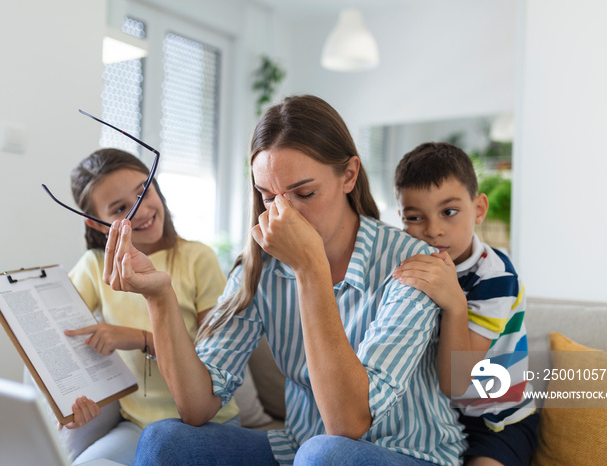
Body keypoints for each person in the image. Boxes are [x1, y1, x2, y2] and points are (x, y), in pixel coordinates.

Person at [102, 95, 467, 466]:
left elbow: (347, 424)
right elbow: (196, 407)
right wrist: (159, 298)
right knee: (166, 440)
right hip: (301, 451)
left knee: (326, 454)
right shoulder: (260, 267)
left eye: (305, 193)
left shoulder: (414, 265)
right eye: (268, 197)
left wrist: (310, 271)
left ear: (349, 175)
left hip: (409, 455)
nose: (283, 215)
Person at [61, 148, 239, 465]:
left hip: (209, 424)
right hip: (137, 426)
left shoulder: (198, 258)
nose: (140, 210)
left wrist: (138, 337)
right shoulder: (94, 266)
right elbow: (57, 334)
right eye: (119, 208)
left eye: (143, 191)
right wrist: (65, 403)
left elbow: (213, 362)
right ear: (99, 225)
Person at [392, 142, 538, 466]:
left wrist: (455, 303)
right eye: (415, 217)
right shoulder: (411, 265)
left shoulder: (497, 279)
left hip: (499, 421)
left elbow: (457, 382)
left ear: (480, 209)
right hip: (437, 417)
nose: (433, 230)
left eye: (449, 212)